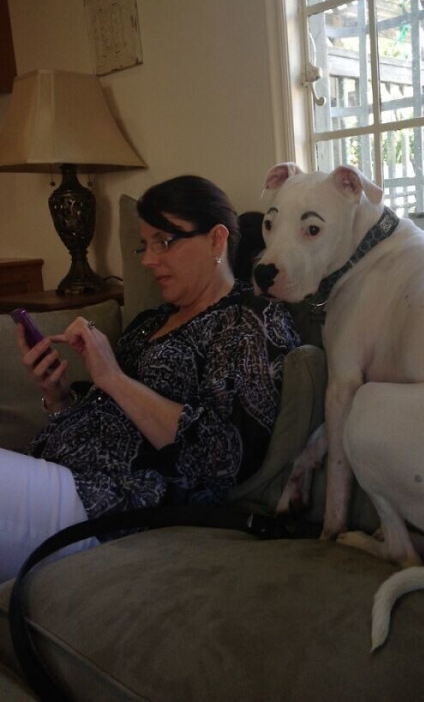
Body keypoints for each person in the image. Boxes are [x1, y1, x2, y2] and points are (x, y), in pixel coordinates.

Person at [1, 175, 300, 582]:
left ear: (216, 240)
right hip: (55, 474)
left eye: (164, 241)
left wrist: (114, 378)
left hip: (111, 505)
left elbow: (225, 458)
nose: (147, 260)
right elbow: (106, 418)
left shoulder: (250, 320)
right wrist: (58, 397)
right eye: (146, 245)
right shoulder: (149, 321)